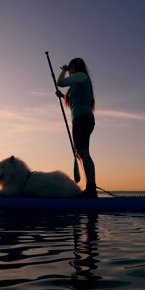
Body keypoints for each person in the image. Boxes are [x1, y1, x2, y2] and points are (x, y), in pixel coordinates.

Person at [56, 58, 97, 199]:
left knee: (83, 152)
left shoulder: (80, 76)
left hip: (83, 119)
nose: (69, 68)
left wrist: (63, 71)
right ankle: (90, 188)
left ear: (76, 66)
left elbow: (60, 83)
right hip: (80, 119)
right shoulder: (77, 82)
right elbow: (75, 101)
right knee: (80, 153)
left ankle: (91, 189)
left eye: (71, 66)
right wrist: (62, 97)